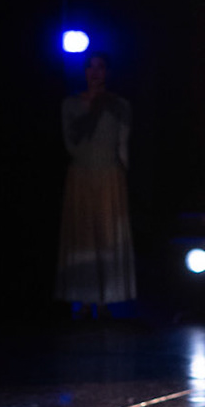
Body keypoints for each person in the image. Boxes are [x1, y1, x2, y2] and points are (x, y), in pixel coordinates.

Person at [57, 53, 136, 312]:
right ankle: (84, 298)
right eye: (90, 67)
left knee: (106, 237)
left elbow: (122, 144)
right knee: (83, 237)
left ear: (107, 71)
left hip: (109, 177)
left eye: (100, 67)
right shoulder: (71, 104)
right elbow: (70, 143)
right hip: (82, 175)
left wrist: (121, 177)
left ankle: (105, 298)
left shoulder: (119, 105)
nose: (95, 72)